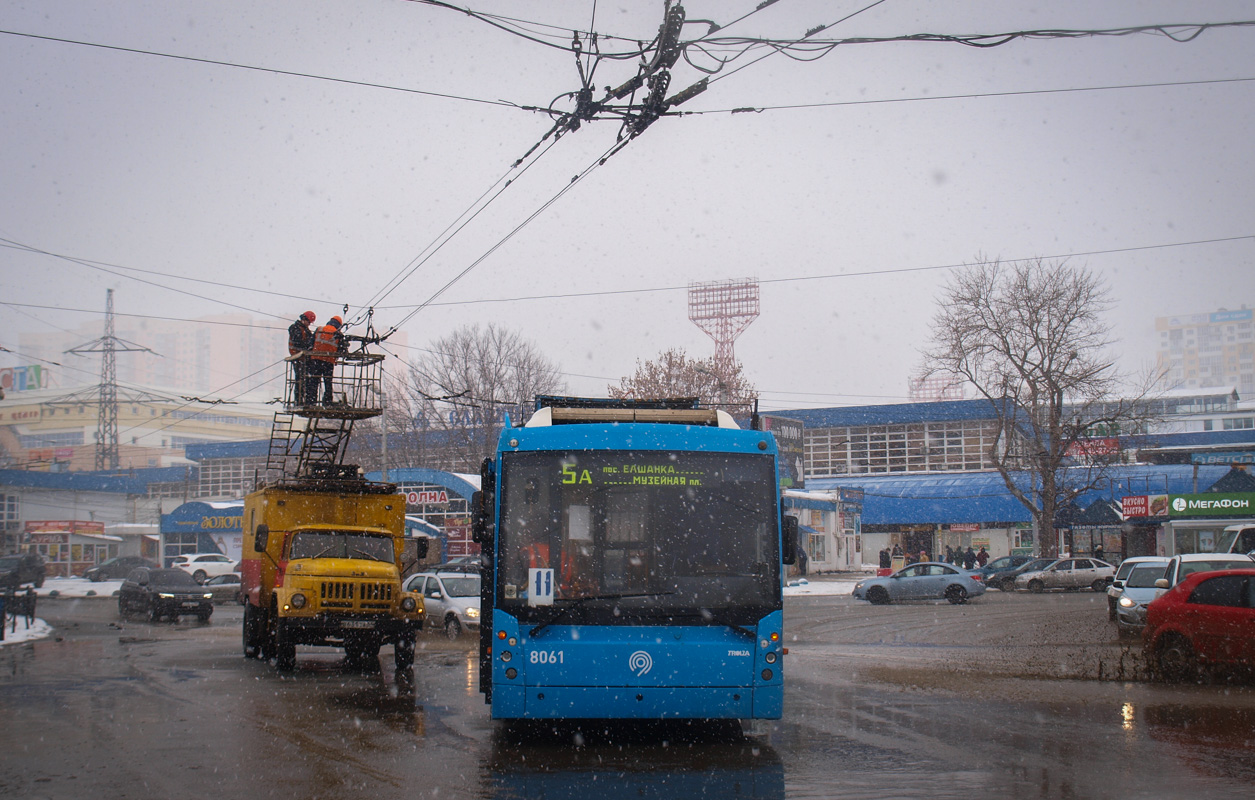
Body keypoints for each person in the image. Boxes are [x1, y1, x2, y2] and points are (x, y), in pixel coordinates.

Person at [311, 315, 346, 405]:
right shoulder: (338, 334)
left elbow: (310, 344)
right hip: (328, 361)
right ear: (339, 325)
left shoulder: (319, 329)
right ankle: (327, 400)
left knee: (314, 381)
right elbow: (342, 350)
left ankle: (311, 400)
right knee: (328, 382)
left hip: (316, 360)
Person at [287, 311, 316, 405]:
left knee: (305, 379)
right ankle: (299, 400)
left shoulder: (305, 330)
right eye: (309, 322)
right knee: (300, 379)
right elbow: (298, 341)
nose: (309, 324)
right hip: (297, 357)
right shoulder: (295, 328)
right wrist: (308, 346)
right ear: (304, 320)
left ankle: (304, 400)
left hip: (303, 358)